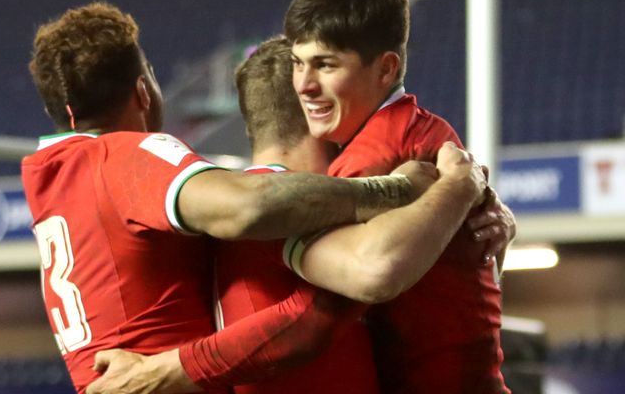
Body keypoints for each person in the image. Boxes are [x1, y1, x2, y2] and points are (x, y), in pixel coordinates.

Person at [23, 1, 432, 393]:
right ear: (144, 90)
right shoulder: (123, 155)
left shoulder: (54, 178)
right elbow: (251, 207)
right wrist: (394, 191)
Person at [86, 37, 499, 393]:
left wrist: (486, 229)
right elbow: (321, 314)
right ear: (312, 107)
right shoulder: (296, 218)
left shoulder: (224, 224)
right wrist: (451, 190)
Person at [283, 0, 515, 393]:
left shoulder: (375, 156)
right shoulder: (426, 128)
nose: (304, 85)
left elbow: (312, 313)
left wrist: (183, 365)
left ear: (386, 69)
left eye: (325, 64)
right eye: (297, 63)